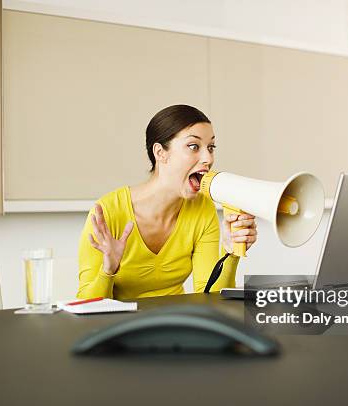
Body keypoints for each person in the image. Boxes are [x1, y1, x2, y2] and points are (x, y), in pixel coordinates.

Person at [77, 105, 258, 300]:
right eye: (194, 146)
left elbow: (210, 298)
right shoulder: (108, 212)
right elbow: (86, 305)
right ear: (160, 153)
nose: (208, 159)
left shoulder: (202, 208)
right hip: (123, 327)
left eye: (211, 148)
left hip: (174, 324)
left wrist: (230, 253)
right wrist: (108, 270)